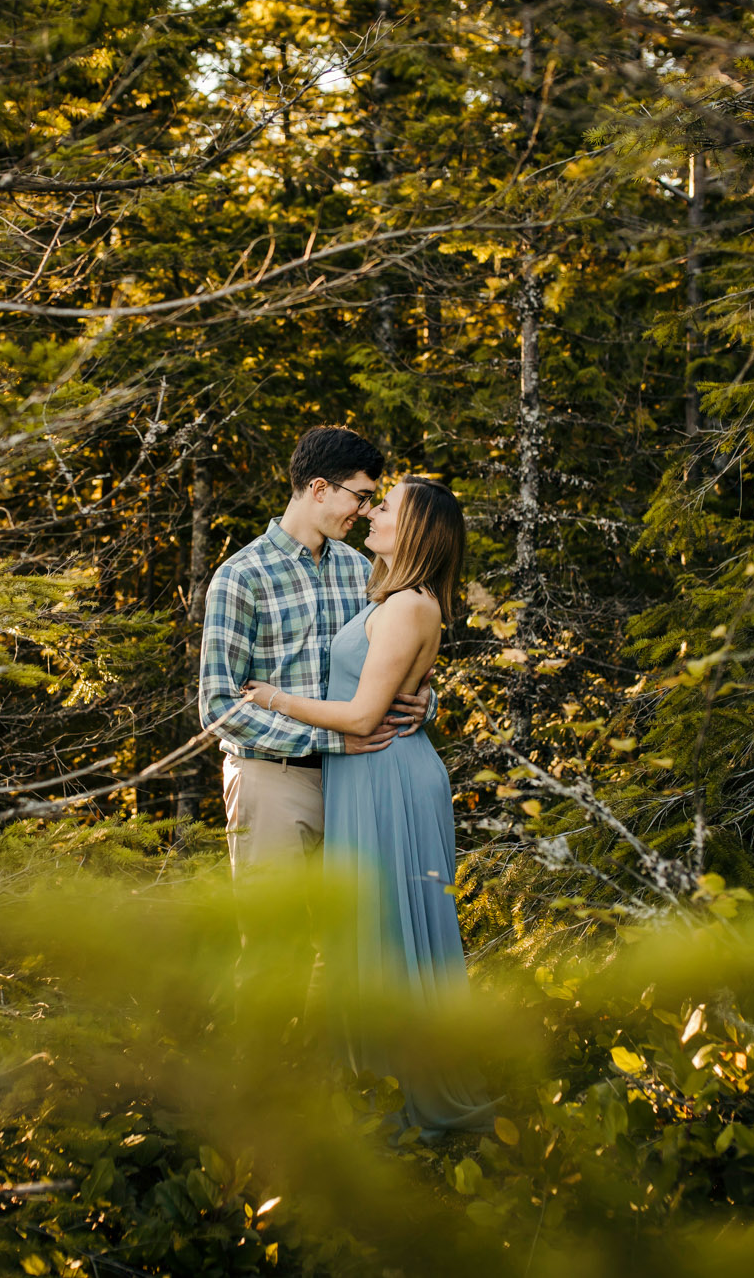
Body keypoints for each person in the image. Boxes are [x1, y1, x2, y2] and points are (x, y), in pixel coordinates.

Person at [241, 476, 496, 1135]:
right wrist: (425, 698)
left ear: (415, 530)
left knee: (395, 936)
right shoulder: (385, 592)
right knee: (372, 935)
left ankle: (412, 1100)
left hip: (387, 777)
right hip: (367, 775)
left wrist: (269, 697)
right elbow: (387, 685)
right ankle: (376, 1087)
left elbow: (360, 714)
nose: (372, 513)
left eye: (387, 507)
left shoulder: (410, 603)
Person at [197, 426, 432, 877]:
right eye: (360, 497)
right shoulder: (241, 576)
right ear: (320, 489)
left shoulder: (359, 567)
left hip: (355, 780)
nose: (365, 512)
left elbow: (389, 661)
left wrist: (423, 703)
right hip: (274, 780)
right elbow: (219, 705)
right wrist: (328, 740)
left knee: (348, 938)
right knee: (275, 938)